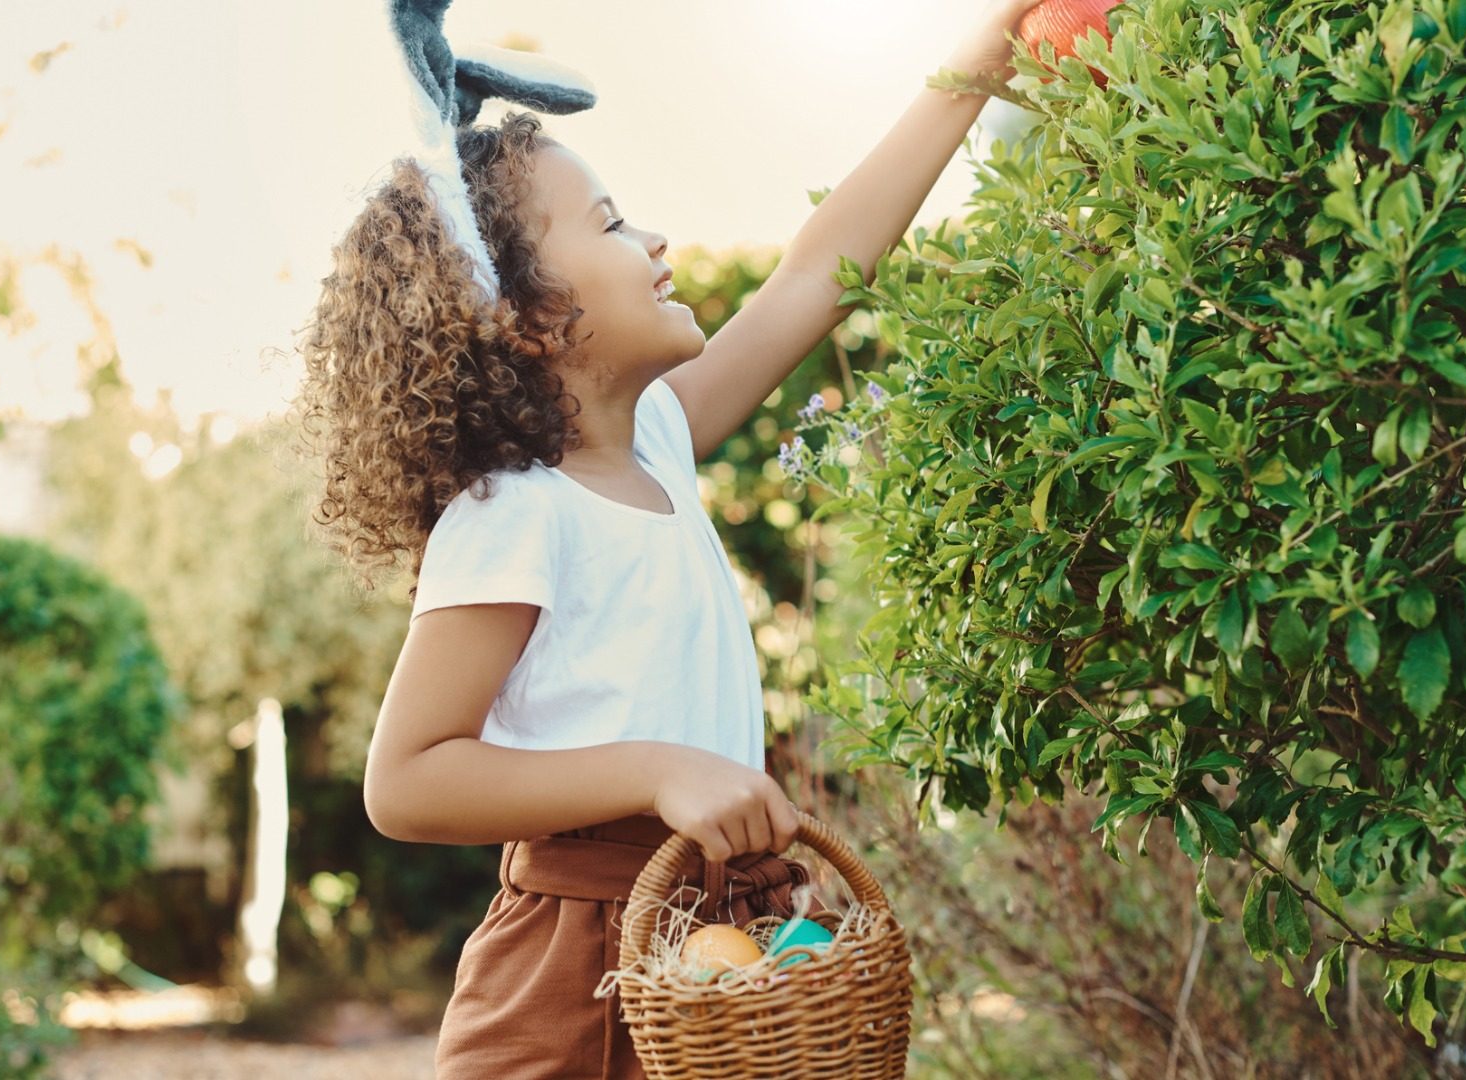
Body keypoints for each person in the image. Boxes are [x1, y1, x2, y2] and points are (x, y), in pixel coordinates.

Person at [294, 3, 1041, 1074]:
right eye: (607, 224)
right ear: (524, 315)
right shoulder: (518, 511)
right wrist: (660, 770)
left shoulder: (658, 442)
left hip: (712, 937)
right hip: (575, 967)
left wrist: (978, 63)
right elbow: (408, 781)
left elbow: (813, 276)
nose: (653, 240)